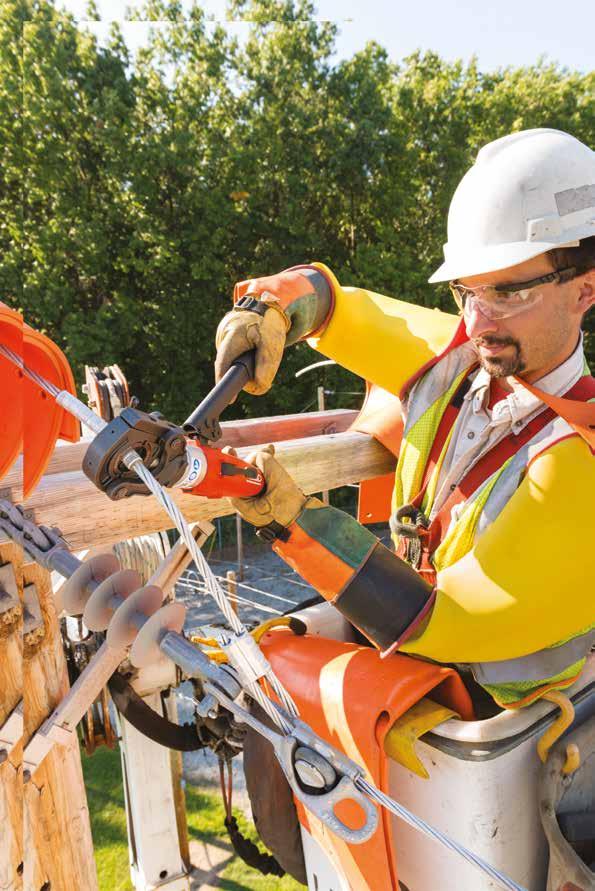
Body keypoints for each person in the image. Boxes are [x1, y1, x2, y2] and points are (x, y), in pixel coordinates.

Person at [214, 128, 595, 709]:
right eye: (466, 290)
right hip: (418, 673)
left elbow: (442, 619)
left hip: (506, 716)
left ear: (585, 290)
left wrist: (294, 524)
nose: (480, 318)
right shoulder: (460, 360)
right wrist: (269, 306)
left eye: (509, 293)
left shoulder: (579, 464)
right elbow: (339, 308)